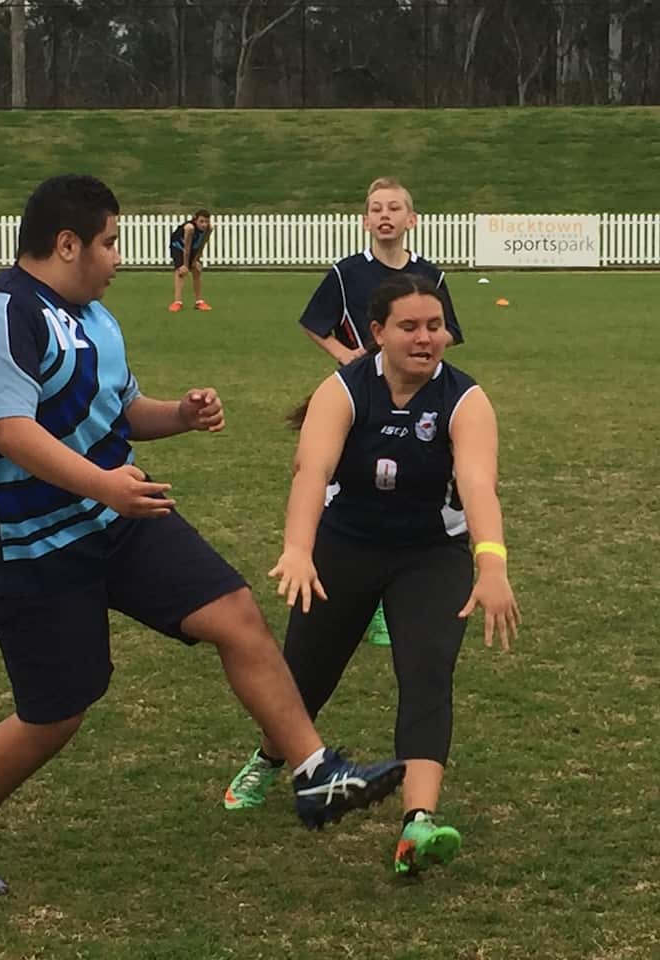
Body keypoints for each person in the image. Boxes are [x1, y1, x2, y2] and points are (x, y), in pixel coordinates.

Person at [0, 175, 404, 897]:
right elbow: (6, 428)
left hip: (121, 519)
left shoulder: (96, 317)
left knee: (236, 614)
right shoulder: (1, 313)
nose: (119, 257)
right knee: (56, 714)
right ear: (67, 243)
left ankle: (314, 773)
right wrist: (105, 483)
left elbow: (120, 409)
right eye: (109, 242)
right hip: (32, 545)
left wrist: (179, 413)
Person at [224, 273, 518, 878]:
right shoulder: (342, 390)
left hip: (431, 555)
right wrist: (298, 550)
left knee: (427, 671)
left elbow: (478, 486)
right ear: (377, 332)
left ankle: (419, 823)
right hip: (345, 546)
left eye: (435, 326)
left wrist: (492, 562)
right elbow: (310, 472)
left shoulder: (466, 400)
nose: (425, 337)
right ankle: (270, 756)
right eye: (409, 326)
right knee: (306, 673)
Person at [299, 177, 465, 647]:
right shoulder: (345, 272)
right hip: (359, 396)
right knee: (346, 485)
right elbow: (314, 323)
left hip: (415, 394)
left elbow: (449, 330)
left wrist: (418, 346)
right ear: (365, 220)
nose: (385, 216)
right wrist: (346, 355)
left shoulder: (430, 275)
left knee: (412, 481)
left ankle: (399, 593)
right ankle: (357, 594)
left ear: (411, 220)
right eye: (376, 209)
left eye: (394, 208)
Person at [168, 209, 212, 312]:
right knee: (181, 272)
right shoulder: (190, 228)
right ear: (195, 220)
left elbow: (202, 244)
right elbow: (186, 249)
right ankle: (177, 302)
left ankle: (199, 302)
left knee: (197, 269)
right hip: (178, 247)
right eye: (201, 221)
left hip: (192, 247)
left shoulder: (209, 228)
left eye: (206, 221)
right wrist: (185, 265)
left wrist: (196, 260)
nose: (204, 224)